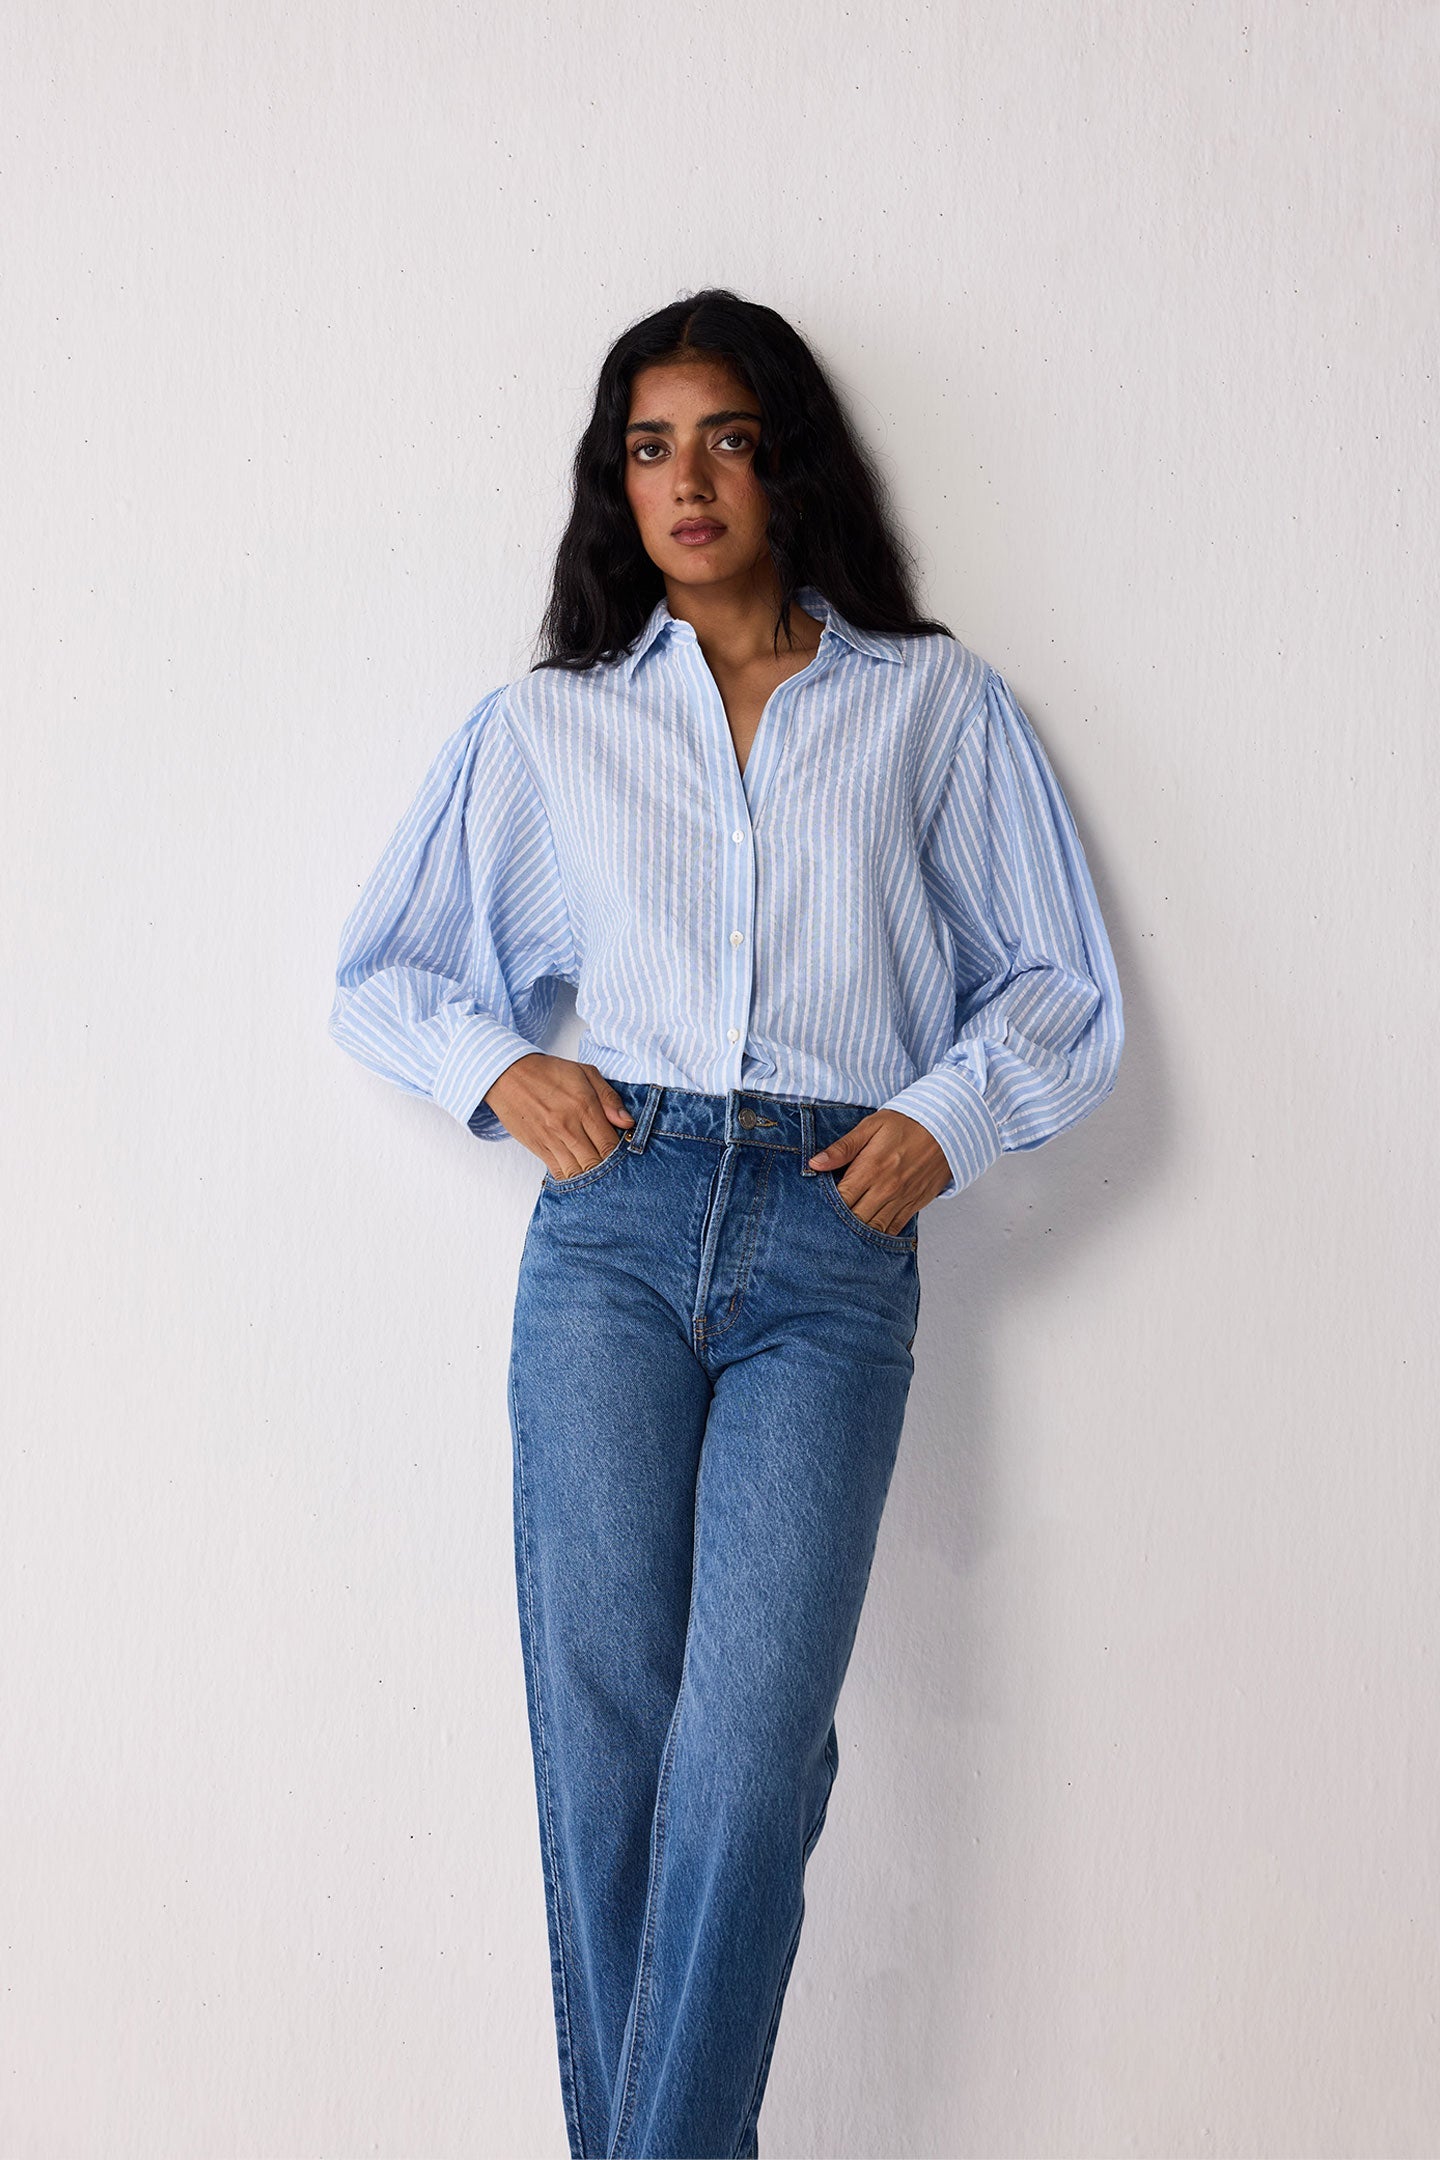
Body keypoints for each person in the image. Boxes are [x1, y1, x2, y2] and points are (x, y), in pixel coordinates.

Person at [328, 287, 1124, 2160]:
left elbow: (1059, 988)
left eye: (727, 438)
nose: (688, 479)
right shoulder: (552, 728)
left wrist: (944, 1118)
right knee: (604, 1747)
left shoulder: (931, 702)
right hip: (615, 1222)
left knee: (749, 1763)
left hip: (832, 1248)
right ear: (619, 483)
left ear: (790, 461)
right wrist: (501, 1073)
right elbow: (387, 972)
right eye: (649, 445)